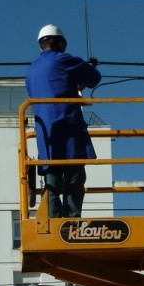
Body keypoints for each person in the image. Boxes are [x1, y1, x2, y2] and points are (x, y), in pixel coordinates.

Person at [26, 24, 101, 218]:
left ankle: (54, 219)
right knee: (75, 177)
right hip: (68, 128)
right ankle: (72, 220)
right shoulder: (64, 60)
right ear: (59, 43)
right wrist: (88, 68)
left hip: (46, 134)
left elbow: (54, 86)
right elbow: (94, 78)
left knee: (52, 180)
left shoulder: (31, 70)